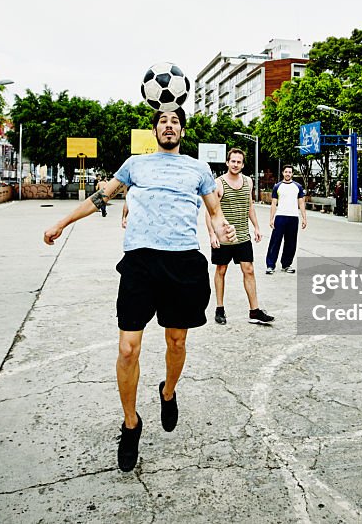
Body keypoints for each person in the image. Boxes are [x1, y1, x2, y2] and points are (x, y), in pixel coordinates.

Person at [43, 108, 236, 473]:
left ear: (182, 130)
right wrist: (62, 221)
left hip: (182, 263)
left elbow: (215, 212)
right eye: (163, 121)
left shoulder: (197, 169)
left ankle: (167, 392)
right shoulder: (135, 165)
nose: (169, 126)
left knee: (176, 342)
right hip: (140, 264)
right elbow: (101, 195)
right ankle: (131, 424)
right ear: (154, 129)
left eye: (175, 121)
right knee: (128, 348)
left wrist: (222, 228)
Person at [205, 148, 274, 326]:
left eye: (239, 162)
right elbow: (210, 211)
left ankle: (255, 311)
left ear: (243, 164)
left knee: (249, 270)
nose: (235, 164)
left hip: (243, 235)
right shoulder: (218, 183)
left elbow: (250, 205)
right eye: (233, 161)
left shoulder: (248, 182)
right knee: (221, 270)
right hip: (224, 235)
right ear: (227, 162)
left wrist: (256, 226)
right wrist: (212, 234)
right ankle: (220, 309)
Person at [265, 165, 307, 274]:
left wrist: (304, 218)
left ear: (292, 174)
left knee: (291, 242)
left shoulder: (298, 186)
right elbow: (274, 203)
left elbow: (301, 203)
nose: (288, 174)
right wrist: (271, 219)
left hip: (293, 217)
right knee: (275, 241)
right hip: (280, 217)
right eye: (286, 172)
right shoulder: (277, 186)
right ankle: (270, 265)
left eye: (290, 172)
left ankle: (286, 264)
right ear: (283, 173)